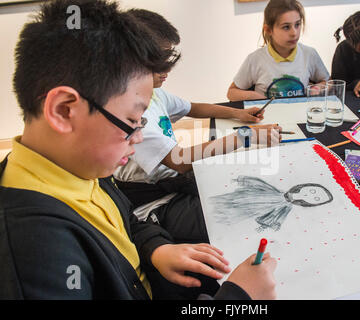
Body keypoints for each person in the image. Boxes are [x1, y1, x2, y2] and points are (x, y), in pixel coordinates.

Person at [0, 0, 277, 300]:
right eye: (132, 121)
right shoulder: (36, 251)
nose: (139, 137)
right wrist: (239, 299)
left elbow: (125, 220)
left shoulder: (82, 167)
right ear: (65, 111)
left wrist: (156, 249)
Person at [114, 10, 281, 245]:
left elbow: (192, 107)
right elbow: (180, 161)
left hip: (174, 182)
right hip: (155, 203)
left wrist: (238, 114)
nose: (168, 69)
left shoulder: (155, 93)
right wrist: (246, 135)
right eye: (161, 61)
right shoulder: (131, 111)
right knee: (238, 218)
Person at [226, 0, 329, 101]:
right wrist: (253, 97)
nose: (294, 32)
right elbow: (231, 93)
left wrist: (318, 88)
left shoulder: (309, 54)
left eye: (297, 25)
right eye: (286, 27)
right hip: (268, 116)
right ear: (269, 30)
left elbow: (328, 81)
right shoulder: (255, 59)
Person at [210, 176, 333, 232]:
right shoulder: (276, 191)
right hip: (244, 197)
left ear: (312, 204)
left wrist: (265, 225)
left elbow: (278, 217)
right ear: (305, 186)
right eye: (313, 191)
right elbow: (260, 184)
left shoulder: (287, 207)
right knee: (223, 202)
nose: (311, 195)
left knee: (226, 216)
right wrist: (242, 180)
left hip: (252, 210)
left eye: (316, 198)